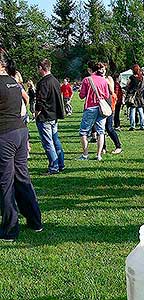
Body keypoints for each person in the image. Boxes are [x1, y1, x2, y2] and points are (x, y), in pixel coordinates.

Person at [0, 47, 43, 241]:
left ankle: (10, 229)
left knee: (6, 182)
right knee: (22, 178)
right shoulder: (13, 82)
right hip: (19, 132)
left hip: (5, 135)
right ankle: (35, 221)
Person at [35, 58, 65, 174]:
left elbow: (40, 102)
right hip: (54, 115)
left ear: (41, 68)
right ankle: (61, 164)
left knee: (48, 143)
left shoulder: (43, 83)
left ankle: (54, 166)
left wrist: (36, 114)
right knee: (55, 140)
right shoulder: (55, 81)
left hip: (45, 116)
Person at [78, 61, 109, 161]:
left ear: (91, 69)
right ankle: (98, 155)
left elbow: (81, 95)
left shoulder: (87, 80)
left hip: (90, 107)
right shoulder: (104, 80)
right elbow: (107, 95)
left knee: (83, 132)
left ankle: (85, 154)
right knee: (101, 132)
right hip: (101, 108)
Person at [101, 64, 122, 154]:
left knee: (109, 128)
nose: (101, 70)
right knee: (101, 128)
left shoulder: (108, 78)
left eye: (103, 69)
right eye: (100, 69)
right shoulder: (96, 78)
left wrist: (104, 81)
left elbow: (111, 91)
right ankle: (103, 147)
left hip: (109, 105)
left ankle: (118, 146)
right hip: (100, 105)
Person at [126, 64, 144, 131]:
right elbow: (142, 86)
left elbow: (127, 85)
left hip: (133, 95)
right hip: (139, 95)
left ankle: (132, 126)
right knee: (140, 111)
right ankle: (142, 125)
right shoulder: (141, 77)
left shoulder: (131, 77)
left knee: (132, 110)